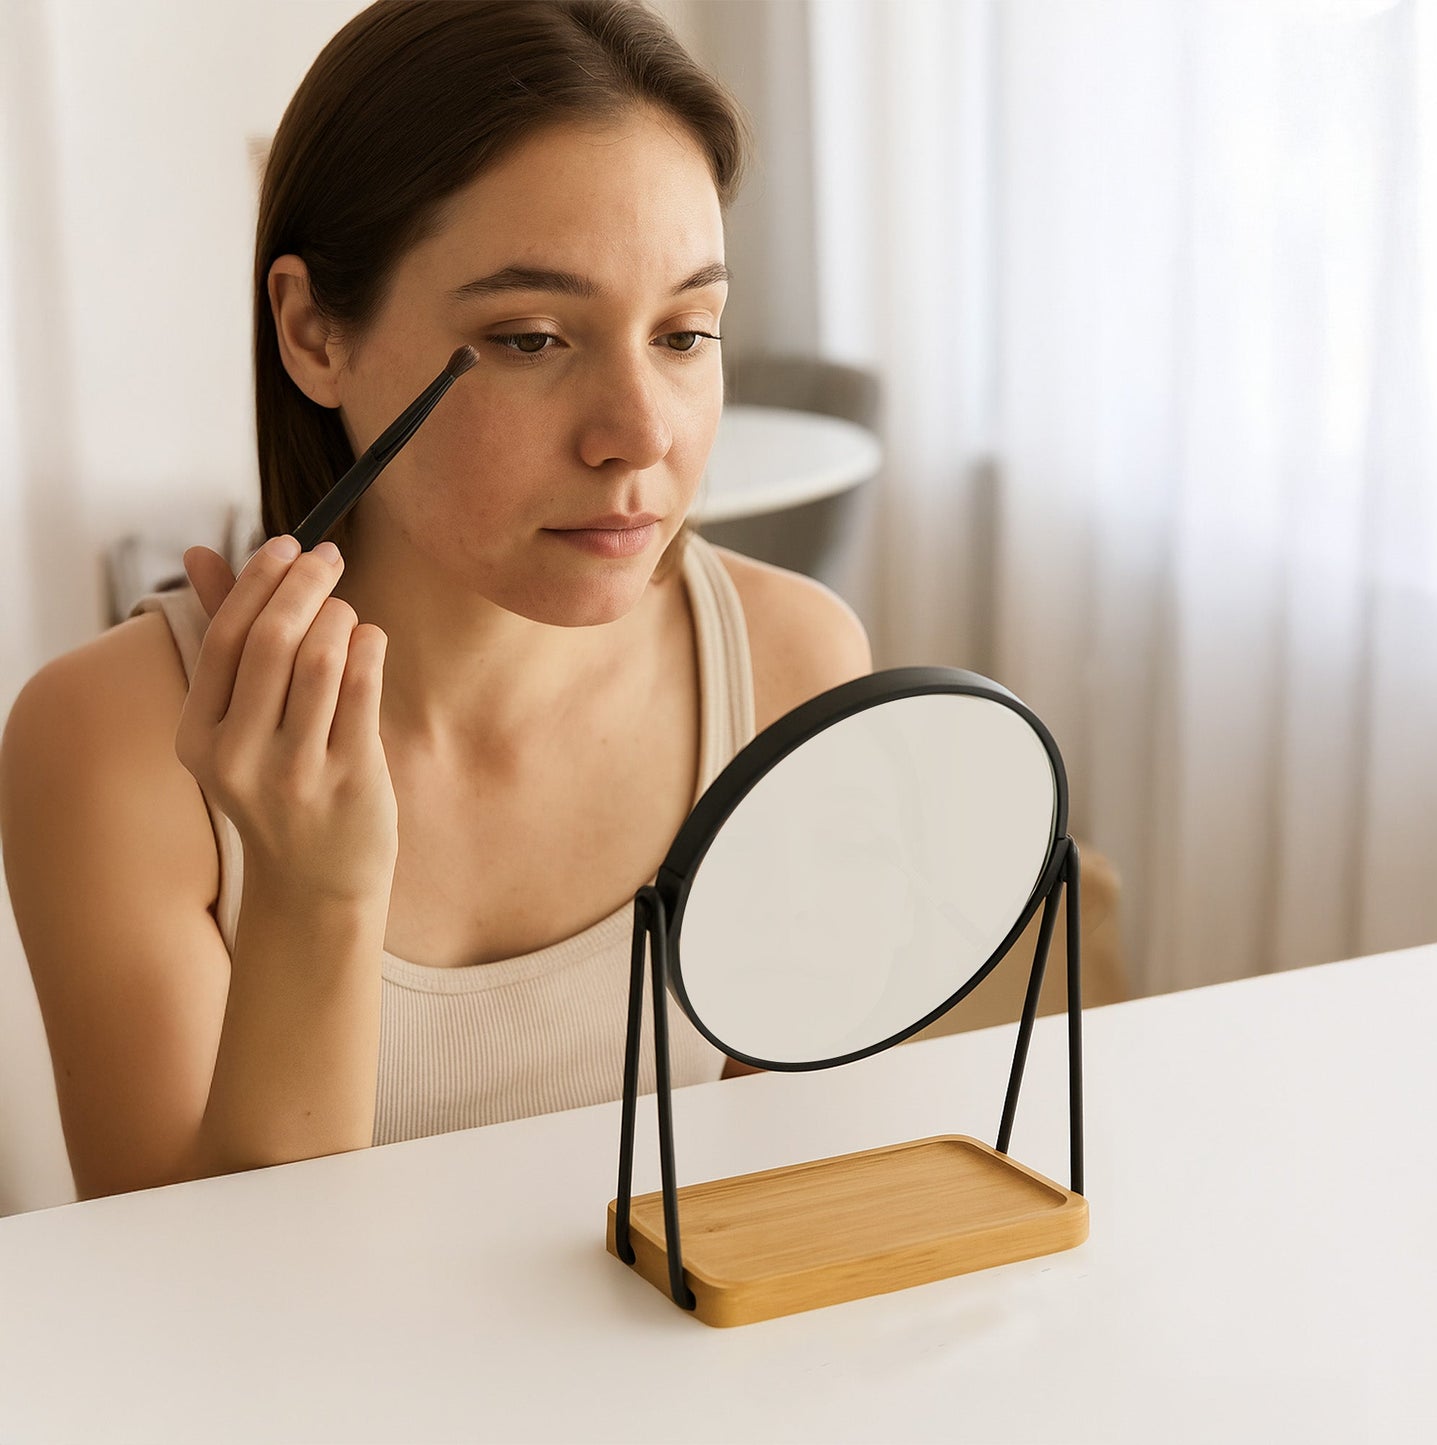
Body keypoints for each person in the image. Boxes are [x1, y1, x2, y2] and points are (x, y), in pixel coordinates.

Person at [0, 0, 870, 1201]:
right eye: (527, 338)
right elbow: (206, 1328)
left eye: (683, 332)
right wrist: (313, 892)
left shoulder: (792, 670)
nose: (640, 436)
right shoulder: (111, 746)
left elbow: (795, 1218)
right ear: (312, 331)